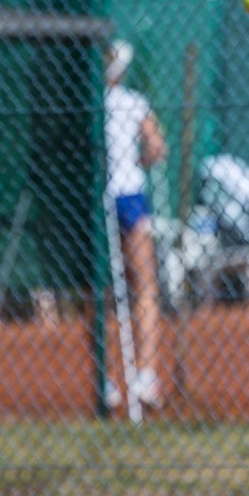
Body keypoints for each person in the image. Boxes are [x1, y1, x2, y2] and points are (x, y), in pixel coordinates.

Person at [104, 39, 168, 409]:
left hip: (101, 197)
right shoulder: (132, 102)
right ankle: (144, 375)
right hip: (129, 196)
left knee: (107, 293)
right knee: (144, 285)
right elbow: (157, 148)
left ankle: (109, 381)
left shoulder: (89, 104)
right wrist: (138, 161)